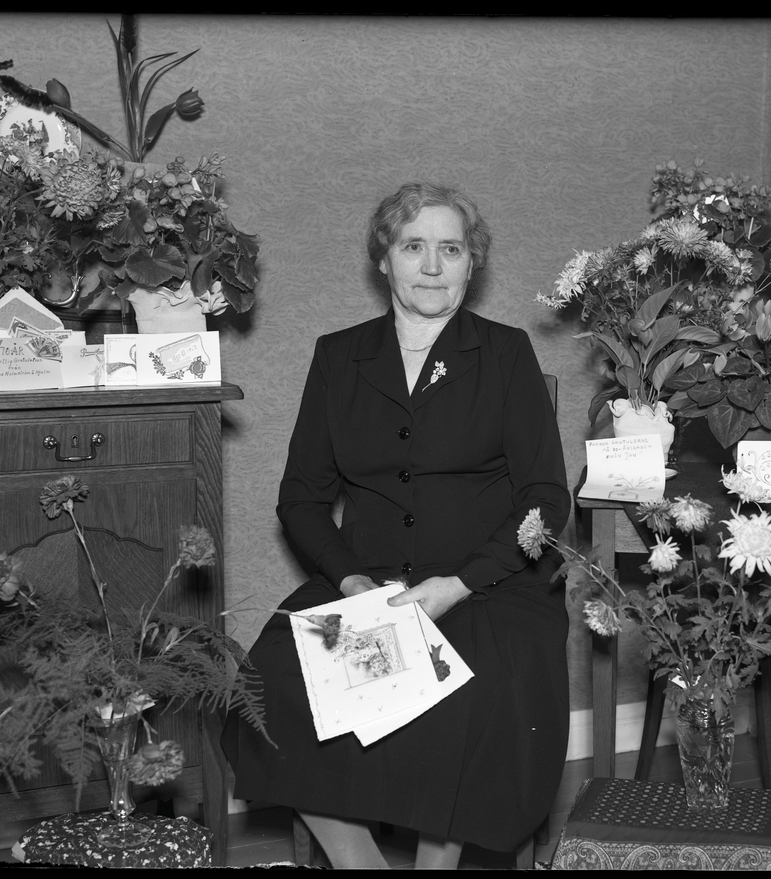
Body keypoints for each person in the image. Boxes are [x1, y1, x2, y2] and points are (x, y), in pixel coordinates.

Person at [221, 182, 571, 868]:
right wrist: (352, 581)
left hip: (488, 586)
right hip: (366, 585)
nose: (432, 266)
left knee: (467, 694)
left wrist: (458, 584)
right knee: (270, 686)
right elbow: (301, 499)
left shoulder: (506, 354)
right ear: (384, 260)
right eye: (414, 247)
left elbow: (545, 499)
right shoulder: (338, 357)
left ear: (472, 263)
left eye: (451, 249)